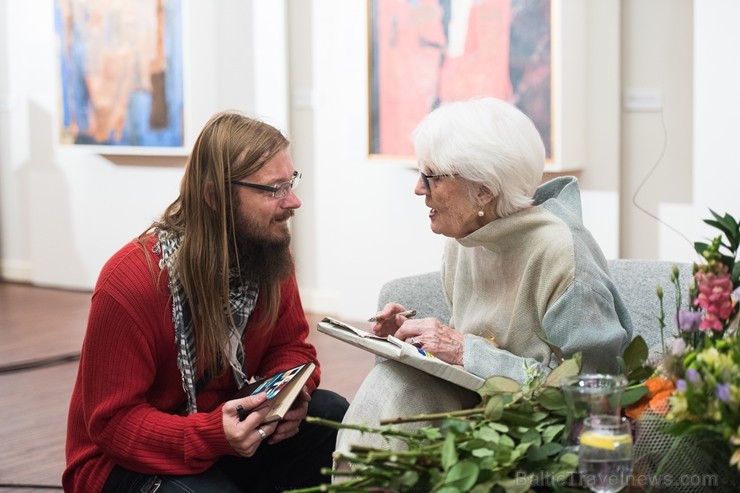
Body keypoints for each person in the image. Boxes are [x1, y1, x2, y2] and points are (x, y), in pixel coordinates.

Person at [63, 110, 349, 492]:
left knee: (328, 413)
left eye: (291, 181)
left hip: (221, 433)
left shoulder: (267, 257)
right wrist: (213, 434)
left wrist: (287, 395)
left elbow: (292, 348)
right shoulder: (131, 282)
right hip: (121, 460)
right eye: (274, 188)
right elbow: (113, 424)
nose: (293, 201)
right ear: (215, 196)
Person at [335, 96, 633, 459]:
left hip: (543, 436)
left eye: (431, 177)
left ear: (484, 190)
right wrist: (414, 340)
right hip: (482, 411)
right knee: (395, 381)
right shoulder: (467, 238)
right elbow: (482, 342)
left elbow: (591, 394)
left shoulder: (561, 255)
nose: (418, 189)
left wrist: (462, 349)